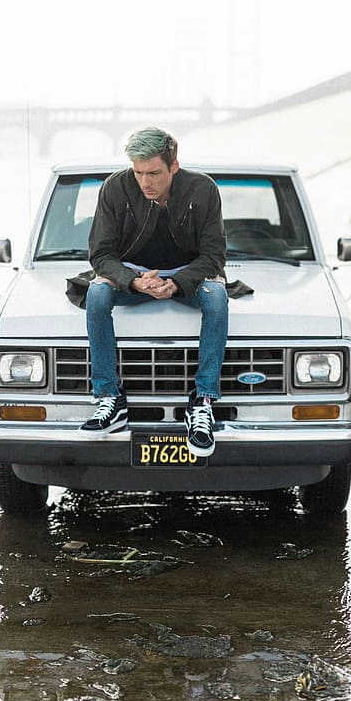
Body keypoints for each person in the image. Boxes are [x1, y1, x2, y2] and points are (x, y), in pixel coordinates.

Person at [76, 127, 228, 457]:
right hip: (132, 274)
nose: (146, 182)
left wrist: (179, 282)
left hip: (187, 275)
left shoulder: (203, 189)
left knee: (217, 296)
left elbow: (214, 255)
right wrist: (133, 281)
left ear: (174, 165)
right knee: (97, 295)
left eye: (154, 172)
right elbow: (101, 254)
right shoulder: (115, 187)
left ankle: (202, 402)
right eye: (139, 172)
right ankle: (108, 398)